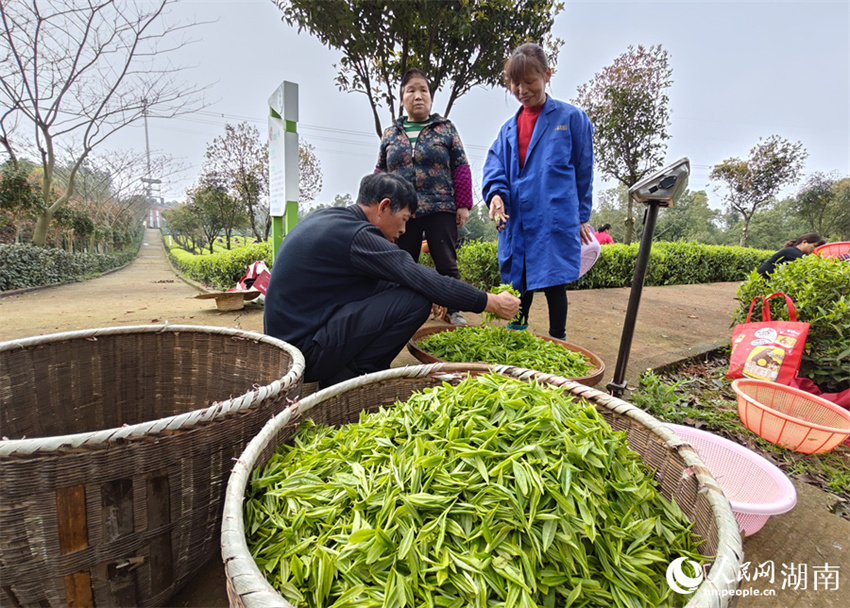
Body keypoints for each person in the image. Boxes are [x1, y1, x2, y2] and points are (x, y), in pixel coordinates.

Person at [264, 172, 520, 388]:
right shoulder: (358, 235)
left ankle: (346, 369)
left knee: (414, 291)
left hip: (288, 348)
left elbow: (373, 283)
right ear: (384, 207)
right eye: (405, 219)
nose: (404, 230)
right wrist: (490, 302)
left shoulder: (334, 220)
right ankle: (352, 377)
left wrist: (432, 292)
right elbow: (421, 277)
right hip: (304, 356)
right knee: (416, 300)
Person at [482, 42, 594, 340]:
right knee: (520, 281)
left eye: (529, 81)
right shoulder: (507, 129)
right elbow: (495, 168)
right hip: (517, 218)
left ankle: (559, 342)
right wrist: (496, 196)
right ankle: (517, 337)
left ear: (547, 74)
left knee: (555, 283)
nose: (522, 89)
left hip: (553, 215)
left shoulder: (571, 119)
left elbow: (584, 171)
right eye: (514, 84)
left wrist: (582, 216)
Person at [376, 68, 473, 327]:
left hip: (440, 206)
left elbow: (461, 167)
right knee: (401, 263)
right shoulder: (390, 134)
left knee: (446, 262)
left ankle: (454, 309)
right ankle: (402, 312)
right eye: (411, 90)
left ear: (430, 97)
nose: (418, 96)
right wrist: (377, 208)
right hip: (400, 212)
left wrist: (463, 204)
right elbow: (380, 172)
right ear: (401, 98)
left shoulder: (446, 129)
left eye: (423, 90)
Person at [757, 233, 826, 278]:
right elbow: (810, 266)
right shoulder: (792, 252)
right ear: (804, 242)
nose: (814, 250)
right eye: (814, 246)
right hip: (761, 282)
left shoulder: (794, 252)